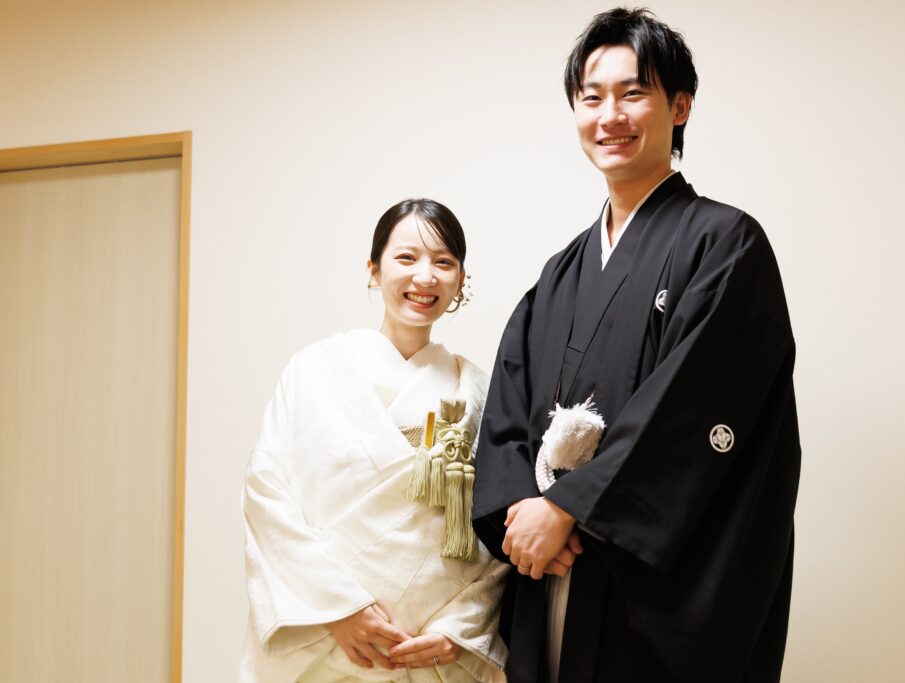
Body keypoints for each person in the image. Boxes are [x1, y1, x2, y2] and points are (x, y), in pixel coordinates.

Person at [472, 8, 801, 682]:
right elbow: (509, 404)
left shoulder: (725, 245)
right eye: (591, 97)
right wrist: (523, 514)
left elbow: (691, 409)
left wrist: (568, 505)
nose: (609, 115)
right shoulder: (561, 271)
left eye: (633, 93)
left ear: (679, 107)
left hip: (641, 594)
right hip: (552, 574)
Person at [241, 199, 508, 682]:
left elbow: (496, 530)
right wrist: (338, 607)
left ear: (461, 280)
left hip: (428, 652)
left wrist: (458, 630)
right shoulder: (314, 371)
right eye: (406, 258)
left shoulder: (479, 392)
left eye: (443, 262)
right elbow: (266, 493)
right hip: (325, 636)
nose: (425, 277)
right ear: (373, 268)